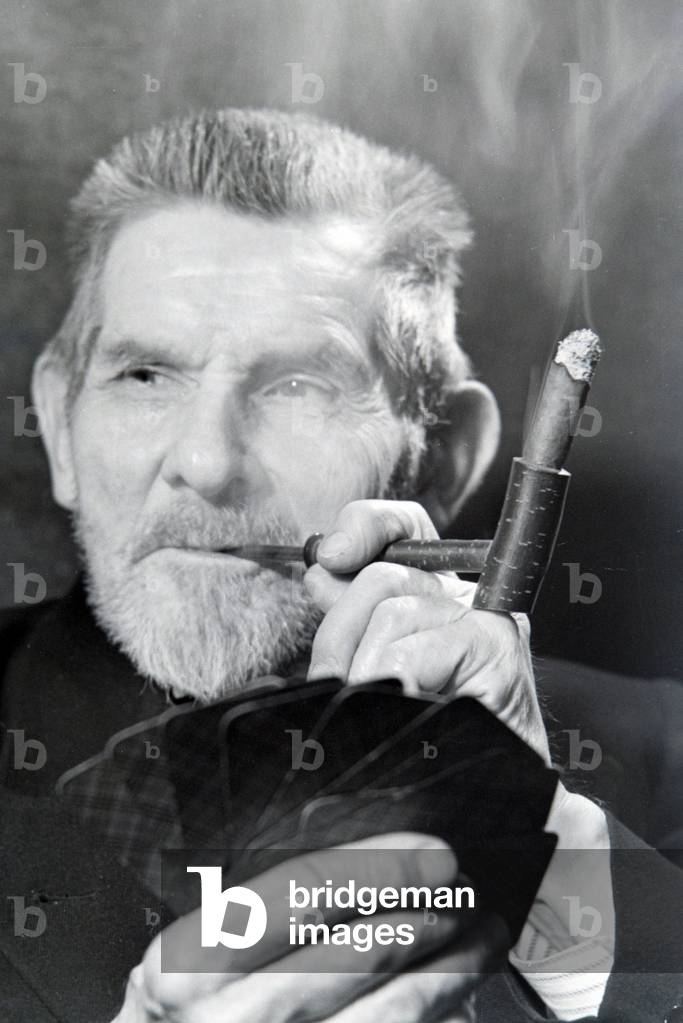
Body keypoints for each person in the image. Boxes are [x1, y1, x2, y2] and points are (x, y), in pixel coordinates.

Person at [1, 108, 681, 1023]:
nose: (205, 462)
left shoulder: (657, 759)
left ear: (444, 458)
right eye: (144, 375)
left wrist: (541, 850)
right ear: (59, 422)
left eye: (297, 385)